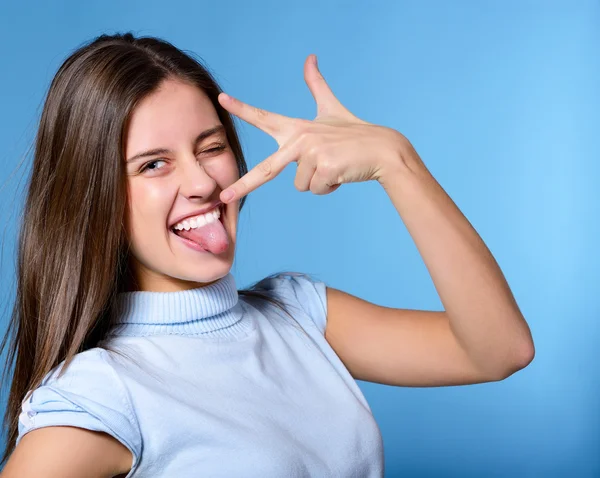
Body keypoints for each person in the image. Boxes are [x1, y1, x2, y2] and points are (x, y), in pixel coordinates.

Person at [0, 32, 535, 477]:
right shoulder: (102, 391)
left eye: (211, 147)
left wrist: (397, 161)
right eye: (153, 165)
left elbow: (498, 350)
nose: (201, 182)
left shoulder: (297, 313)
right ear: (93, 198)